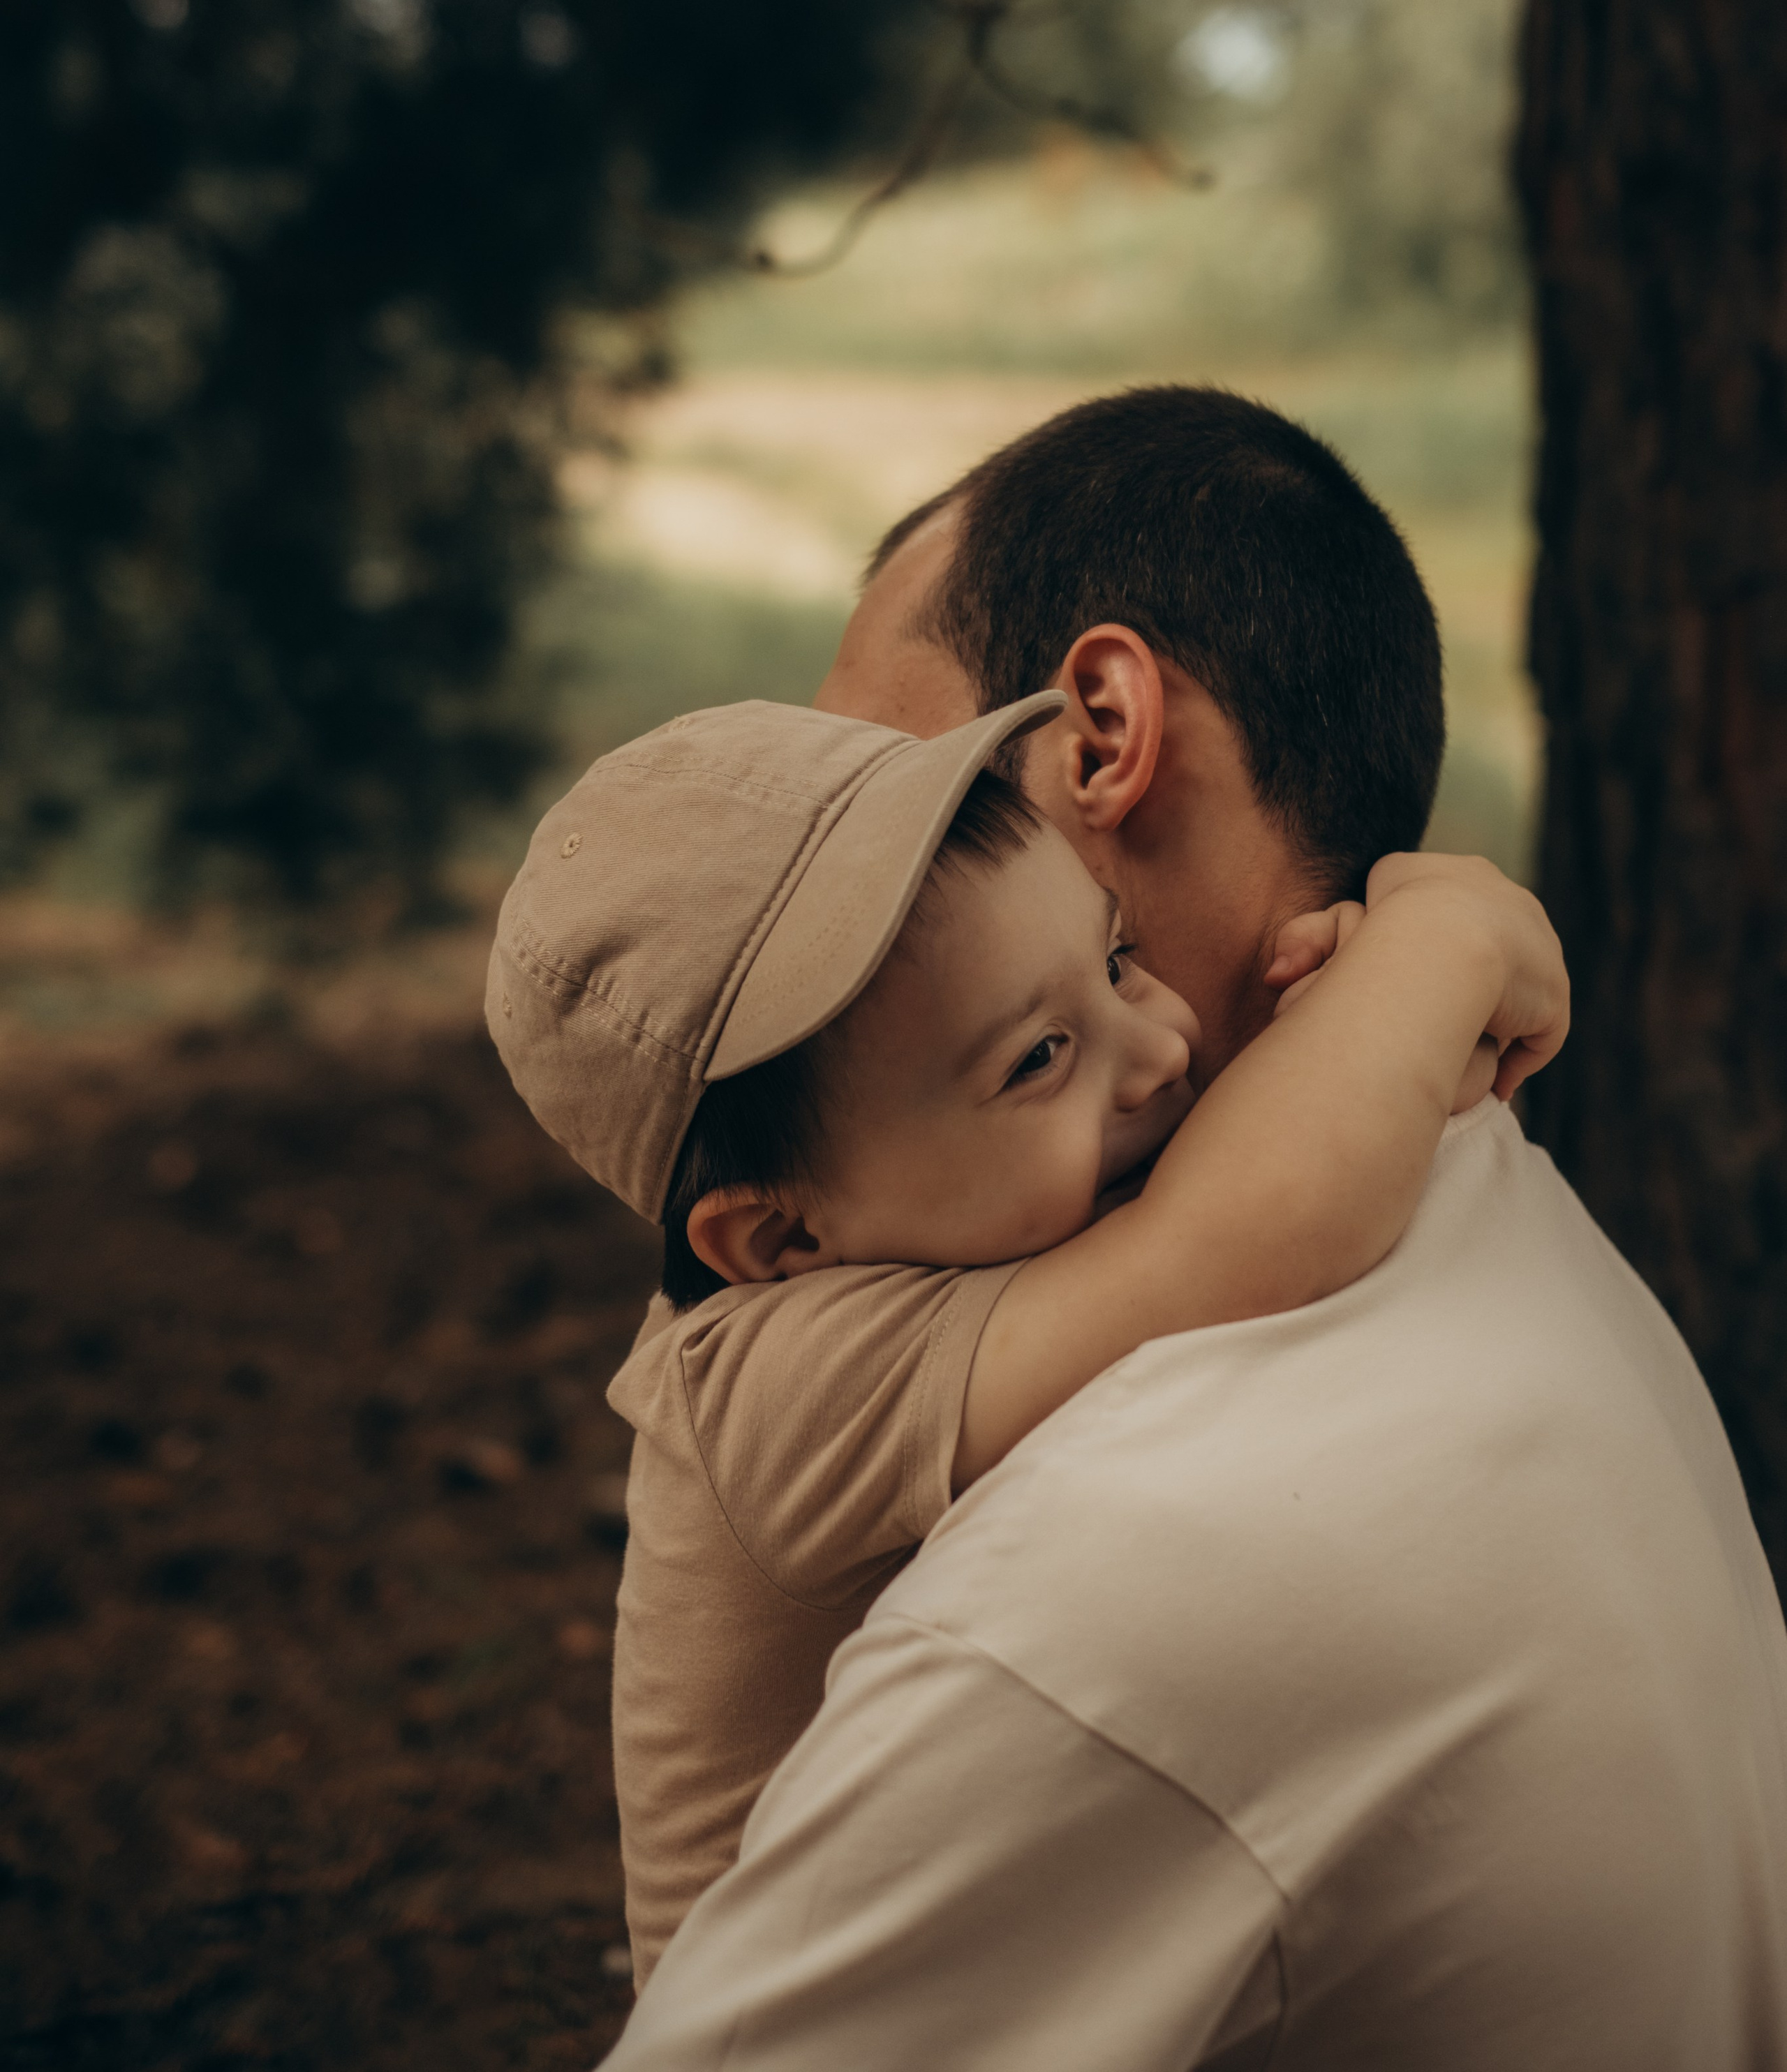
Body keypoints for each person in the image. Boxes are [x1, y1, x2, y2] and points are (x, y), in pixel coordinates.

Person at [605, 387, 1787, 2069]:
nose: (828, 867)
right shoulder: (1485, 1200)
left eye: (881, 786)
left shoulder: (1124, 1586)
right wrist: (1450, 933)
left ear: (1098, 732)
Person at [488, 690, 1566, 1985]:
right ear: (780, 1244)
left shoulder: (945, 1215)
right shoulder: (767, 1386)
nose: (1164, 1044)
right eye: (1041, 1056)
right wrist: (1441, 945)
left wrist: (1349, 1016)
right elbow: (1261, 1226)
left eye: (1115, 960)